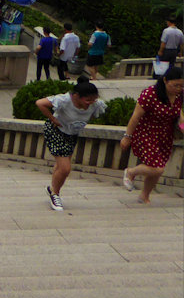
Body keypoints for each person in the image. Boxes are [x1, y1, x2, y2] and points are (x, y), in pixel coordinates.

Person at [36, 76, 106, 211]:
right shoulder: (64, 100)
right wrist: (53, 119)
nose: (90, 103)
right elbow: (40, 103)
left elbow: (93, 113)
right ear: (76, 96)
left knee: (61, 166)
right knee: (65, 168)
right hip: (56, 132)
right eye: (87, 100)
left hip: (72, 135)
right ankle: (55, 194)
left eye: (93, 100)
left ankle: (52, 188)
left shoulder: (95, 105)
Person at [120, 66, 184, 204]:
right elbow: (135, 117)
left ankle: (145, 196)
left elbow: (179, 114)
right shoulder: (150, 94)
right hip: (146, 133)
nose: (178, 88)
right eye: (175, 85)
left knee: (156, 165)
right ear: (165, 80)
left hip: (165, 135)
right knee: (157, 168)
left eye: (181, 86)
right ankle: (131, 172)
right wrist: (127, 136)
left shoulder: (179, 95)